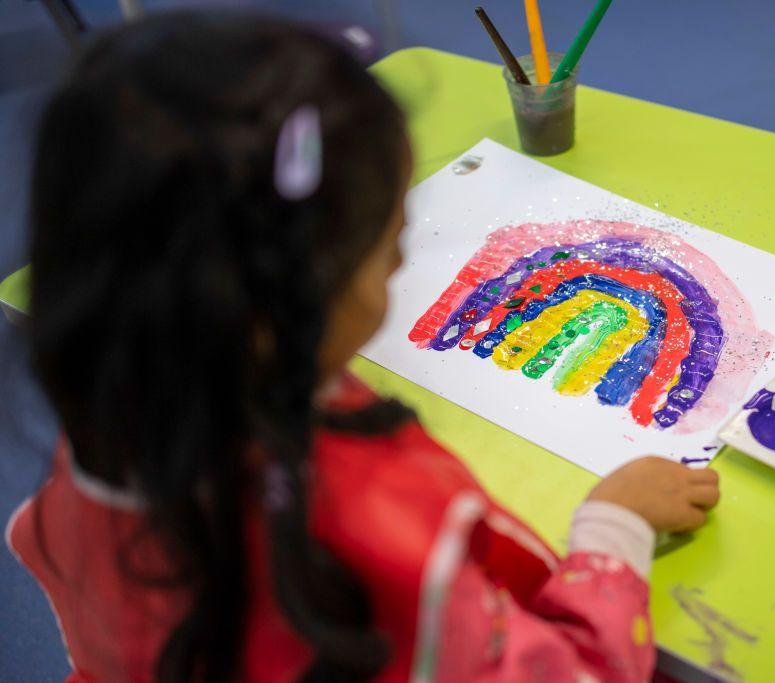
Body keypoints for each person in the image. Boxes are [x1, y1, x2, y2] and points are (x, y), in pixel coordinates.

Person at [6, 12, 720, 683]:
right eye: (387, 249)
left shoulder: (97, 450)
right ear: (279, 306)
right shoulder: (386, 541)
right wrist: (614, 527)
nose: (402, 269)